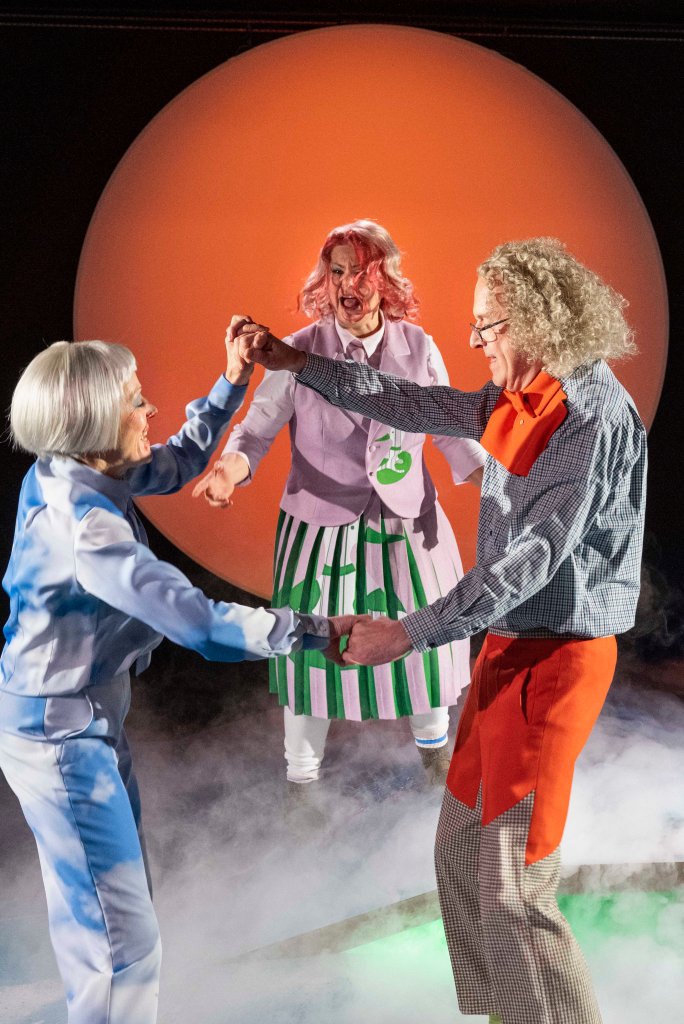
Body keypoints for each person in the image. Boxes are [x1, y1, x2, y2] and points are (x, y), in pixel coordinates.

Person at [233, 237, 647, 1024]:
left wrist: (406, 634)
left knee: (513, 884)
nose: (474, 339)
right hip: (506, 647)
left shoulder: (588, 417)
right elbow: (410, 404)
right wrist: (297, 362)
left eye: (487, 325)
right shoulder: (522, 395)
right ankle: (506, 1012)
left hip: (556, 660)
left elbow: (529, 563)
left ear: (536, 324)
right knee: (459, 852)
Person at [0, 334, 347, 1024]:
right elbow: (201, 625)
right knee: (122, 945)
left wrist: (231, 381)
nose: (150, 411)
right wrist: (315, 631)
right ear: (93, 423)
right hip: (60, 736)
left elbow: (179, 461)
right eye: (136, 403)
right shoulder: (85, 527)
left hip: (81, 720)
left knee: (110, 924)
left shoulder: (74, 466)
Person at [193, 220, 485, 787]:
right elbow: (256, 430)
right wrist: (228, 471)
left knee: (422, 640)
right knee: (311, 652)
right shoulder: (298, 351)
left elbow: (450, 431)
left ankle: (436, 764)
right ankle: (302, 786)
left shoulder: (418, 347)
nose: (348, 285)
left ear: (386, 281)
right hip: (320, 530)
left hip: (409, 523)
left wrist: (501, 481)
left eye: (362, 273)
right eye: (337, 272)